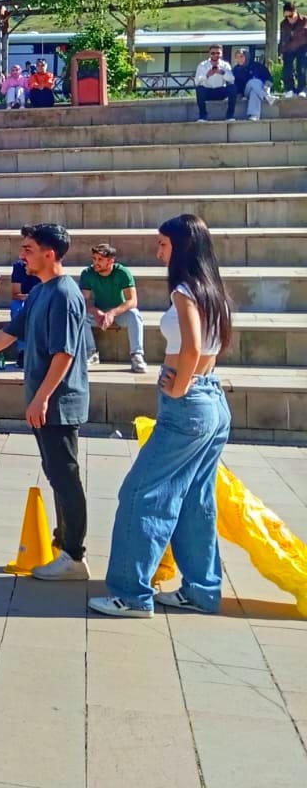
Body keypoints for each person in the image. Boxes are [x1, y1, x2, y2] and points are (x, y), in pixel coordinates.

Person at [89, 214, 234, 618]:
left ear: (182, 247)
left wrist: (180, 385)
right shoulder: (213, 289)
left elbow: (191, 346)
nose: (158, 252)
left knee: (141, 494)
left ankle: (132, 595)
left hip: (188, 405)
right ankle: (201, 590)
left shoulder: (184, 291)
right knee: (194, 500)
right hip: (212, 400)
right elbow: (213, 345)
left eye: (163, 244)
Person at [0, 223, 93, 580]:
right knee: (56, 473)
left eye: (28, 249)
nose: (22, 256)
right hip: (45, 400)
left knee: (65, 476)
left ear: (49, 253)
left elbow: (64, 354)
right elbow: (9, 334)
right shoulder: (40, 291)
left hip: (58, 402)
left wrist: (42, 398)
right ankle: (63, 546)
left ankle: (74, 555)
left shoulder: (64, 294)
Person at [80, 242, 148, 374]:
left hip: (119, 312)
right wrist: (96, 312)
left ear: (111, 261)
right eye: (94, 259)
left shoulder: (122, 272)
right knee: (79, 315)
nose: (95, 263)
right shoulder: (87, 273)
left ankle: (137, 355)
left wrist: (112, 313)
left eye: (100, 259)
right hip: (99, 313)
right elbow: (84, 300)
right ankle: (91, 352)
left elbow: (132, 301)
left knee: (134, 314)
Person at [231, 49, 275, 121]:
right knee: (253, 82)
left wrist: (266, 86)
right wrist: (238, 95)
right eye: (237, 57)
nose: (239, 59)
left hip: (262, 88)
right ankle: (266, 96)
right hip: (246, 92)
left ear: (246, 57)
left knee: (254, 92)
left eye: (241, 56)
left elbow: (269, 79)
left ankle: (254, 115)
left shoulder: (257, 66)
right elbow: (235, 85)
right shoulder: (235, 70)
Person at [192, 46, 234, 121]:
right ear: (209, 54)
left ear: (221, 54)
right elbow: (197, 82)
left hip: (221, 91)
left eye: (218, 53)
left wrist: (223, 73)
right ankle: (202, 116)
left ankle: (230, 116)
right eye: (213, 53)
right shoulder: (202, 65)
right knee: (199, 89)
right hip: (207, 92)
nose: (215, 55)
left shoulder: (225, 65)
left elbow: (232, 80)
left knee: (232, 88)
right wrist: (207, 75)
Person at [281, 0, 307, 98]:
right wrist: (282, 51)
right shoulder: (283, 24)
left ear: (295, 12)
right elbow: (282, 38)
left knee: (301, 67)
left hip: (302, 46)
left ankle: (302, 89)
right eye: (286, 16)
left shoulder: (304, 20)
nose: (289, 19)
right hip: (289, 48)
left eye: (291, 16)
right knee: (287, 68)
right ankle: (289, 89)